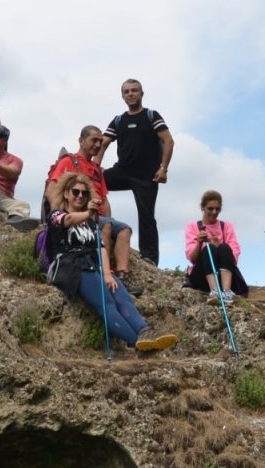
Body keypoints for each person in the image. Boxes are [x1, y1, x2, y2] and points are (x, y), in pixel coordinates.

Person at [44, 173, 177, 353]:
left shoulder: (89, 224)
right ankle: (136, 342)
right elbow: (67, 221)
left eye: (84, 193)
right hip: (72, 266)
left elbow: (101, 247)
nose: (80, 196)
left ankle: (144, 332)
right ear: (66, 194)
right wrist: (88, 213)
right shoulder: (56, 214)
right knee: (107, 304)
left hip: (92, 265)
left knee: (121, 295)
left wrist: (107, 273)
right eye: (75, 192)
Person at [95, 79, 174, 266]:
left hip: (147, 176)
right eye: (127, 91)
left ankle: (150, 260)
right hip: (122, 171)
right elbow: (103, 143)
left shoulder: (151, 116)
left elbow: (169, 141)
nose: (131, 94)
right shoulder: (118, 120)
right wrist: (95, 167)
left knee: (146, 218)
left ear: (141, 93)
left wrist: (163, 169)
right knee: (91, 182)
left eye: (134, 91)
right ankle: (90, 225)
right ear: (122, 96)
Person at [50, 126, 138, 291]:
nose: (98, 145)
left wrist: (109, 219)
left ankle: (122, 277)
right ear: (81, 140)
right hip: (79, 214)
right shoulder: (69, 161)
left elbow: (104, 199)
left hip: (98, 215)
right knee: (105, 225)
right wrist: (60, 215)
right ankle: (102, 271)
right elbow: (52, 190)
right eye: (94, 140)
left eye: (100, 141)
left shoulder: (96, 169)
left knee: (124, 229)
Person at [184, 190, 247, 305]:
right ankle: (214, 291)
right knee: (209, 249)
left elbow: (234, 255)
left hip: (223, 276)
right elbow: (192, 259)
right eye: (210, 208)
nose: (214, 212)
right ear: (202, 207)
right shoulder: (192, 227)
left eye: (217, 209)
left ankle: (226, 291)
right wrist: (199, 243)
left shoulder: (226, 226)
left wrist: (219, 247)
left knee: (224, 248)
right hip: (202, 276)